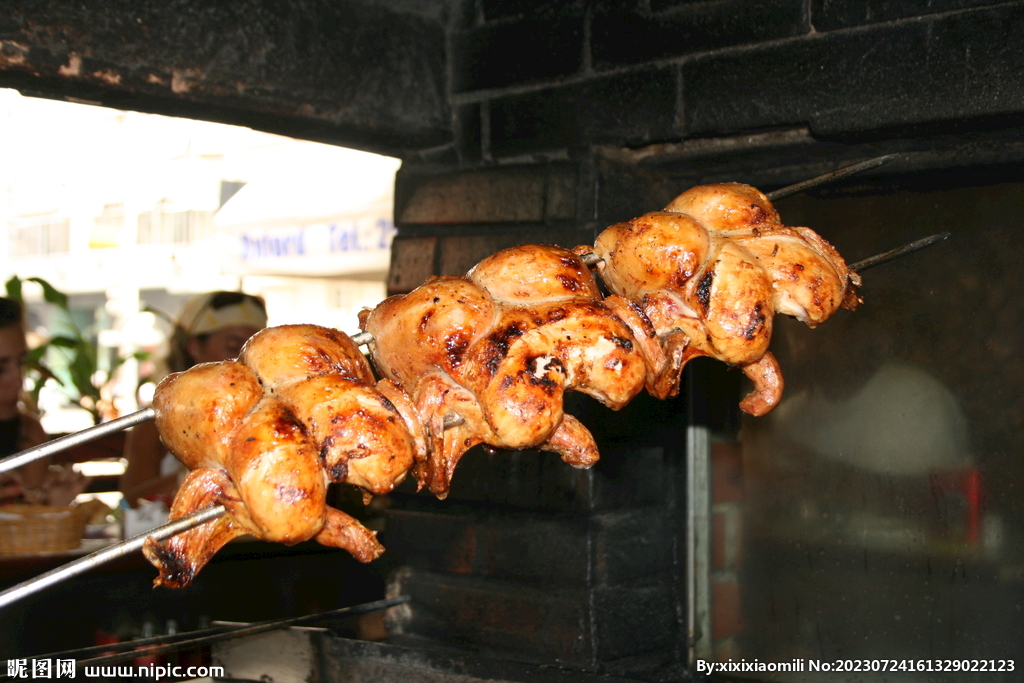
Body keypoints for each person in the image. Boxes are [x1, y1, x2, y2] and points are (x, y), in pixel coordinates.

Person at [119, 291, 267, 508]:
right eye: (234, 346)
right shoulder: (159, 419)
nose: (245, 360)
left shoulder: (271, 414)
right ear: (194, 347)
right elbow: (132, 501)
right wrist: (214, 473)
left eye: (256, 349)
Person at [0, 297, 86, 506]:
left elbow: (29, 531)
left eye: (21, 363)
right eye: (1, 369)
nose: (18, 380)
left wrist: (51, 504)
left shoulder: (28, 432)